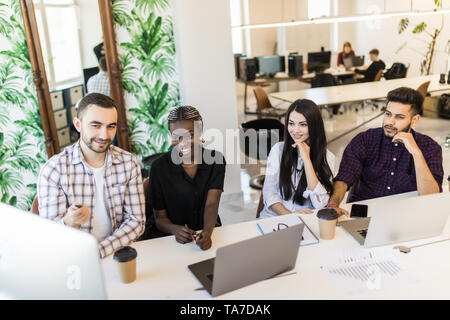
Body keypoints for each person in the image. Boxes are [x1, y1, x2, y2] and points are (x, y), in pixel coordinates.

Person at [37, 93, 145, 258]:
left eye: (111, 126)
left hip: (119, 253)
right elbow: (51, 237)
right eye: (96, 125)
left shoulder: (128, 163)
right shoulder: (53, 170)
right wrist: (68, 222)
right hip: (74, 259)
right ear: (78, 124)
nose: (104, 135)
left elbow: (136, 222)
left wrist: (99, 252)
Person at [327, 87, 443, 216]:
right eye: (388, 114)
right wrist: (333, 203)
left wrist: (416, 153)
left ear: (414, 120)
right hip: (364, 213)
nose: (390, 122)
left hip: (406, 214)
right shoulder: (365, 140)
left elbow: (431, 196)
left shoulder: (430, 147)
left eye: (399, 117)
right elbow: (344, 177)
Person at [147, 106, 225, 250]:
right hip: (168, 238)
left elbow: (212, 204)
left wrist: (207, 232)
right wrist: (174, 229)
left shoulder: (216, 160)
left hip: (206, 228)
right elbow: (159, 219)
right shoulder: (159, 168)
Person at [259, 99, 336, 219]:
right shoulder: (278, 150)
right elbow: (269, 194)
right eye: (291, 123)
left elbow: (321, 204)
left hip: (307, 221)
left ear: (314, 125)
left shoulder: (328, 158)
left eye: (303, 124)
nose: (295, 130)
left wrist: (307, 160)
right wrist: (291, 216)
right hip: (275, 218)